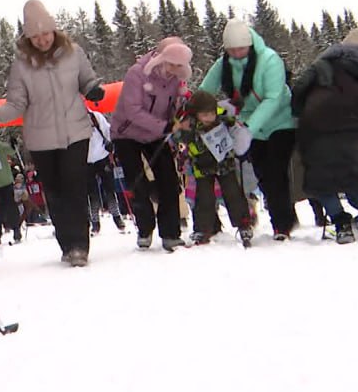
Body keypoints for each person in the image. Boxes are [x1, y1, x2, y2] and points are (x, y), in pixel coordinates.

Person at [0, 0, 105, 267]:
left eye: (46, 33)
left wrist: (93, 89)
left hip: (75, 131)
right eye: (35, 36)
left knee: (75, 188)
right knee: (54, 192)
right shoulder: (22, 65)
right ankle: (66, 243)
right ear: (28, 37)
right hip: (41, 139)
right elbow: (16, 104)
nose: (42, 40)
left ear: (54, 30)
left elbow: (87, 79)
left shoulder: (73, 53)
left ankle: (79, 245)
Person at [198, 19, 298, 239]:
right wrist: (202, 109)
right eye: (231, 50)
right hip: (248, 124)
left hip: (279, 122)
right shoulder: (223, 64)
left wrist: (249, 128)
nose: (236, 54)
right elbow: (205, 91)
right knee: (262, 173)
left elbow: (274, 98)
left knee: (275, 171)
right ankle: (285, 215)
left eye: (241, 49)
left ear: (250, 44)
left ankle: (281, 224)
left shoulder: (270, 60)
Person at [110, 38, 192, 251]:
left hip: (157, 133)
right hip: (126, 133)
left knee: (169, 180)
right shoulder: (137, 74)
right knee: (138, 182)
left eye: (179, 65)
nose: (175, 69)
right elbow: (132, 110)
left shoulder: (176, 80)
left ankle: (171, 232)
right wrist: (164, 126)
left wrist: (180, 112)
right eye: (172, 63)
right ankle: (145, 228)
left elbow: (174, 105)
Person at [289, 27, 358, 244]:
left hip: (315, 125)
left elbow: (298, 91)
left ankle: (340, 223)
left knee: (322, 180)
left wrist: (301, 116)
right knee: (355, 174)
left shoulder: (320, 64)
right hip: (352, 124)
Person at [170, 91, 254, 246]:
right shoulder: (190, 126)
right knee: (203, 199)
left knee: (234, 194)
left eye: (211, 113)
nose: (209, 117)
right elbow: (176, 137)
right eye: (204, 114)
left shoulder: (223, 120)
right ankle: (202, 229)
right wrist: (177, 128)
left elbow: (236, 126)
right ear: (196, 114)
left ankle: (243, 223)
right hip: (202, 168)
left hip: (225, 165)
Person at [86, 110, 127, 234]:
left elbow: (107, 130)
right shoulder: (72, 120)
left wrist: (110, 144)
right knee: (92, 193)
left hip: (102, 156)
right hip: (86, 160)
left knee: (109, 189)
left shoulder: (95, 116)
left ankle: (116, 216)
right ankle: (95, 221)